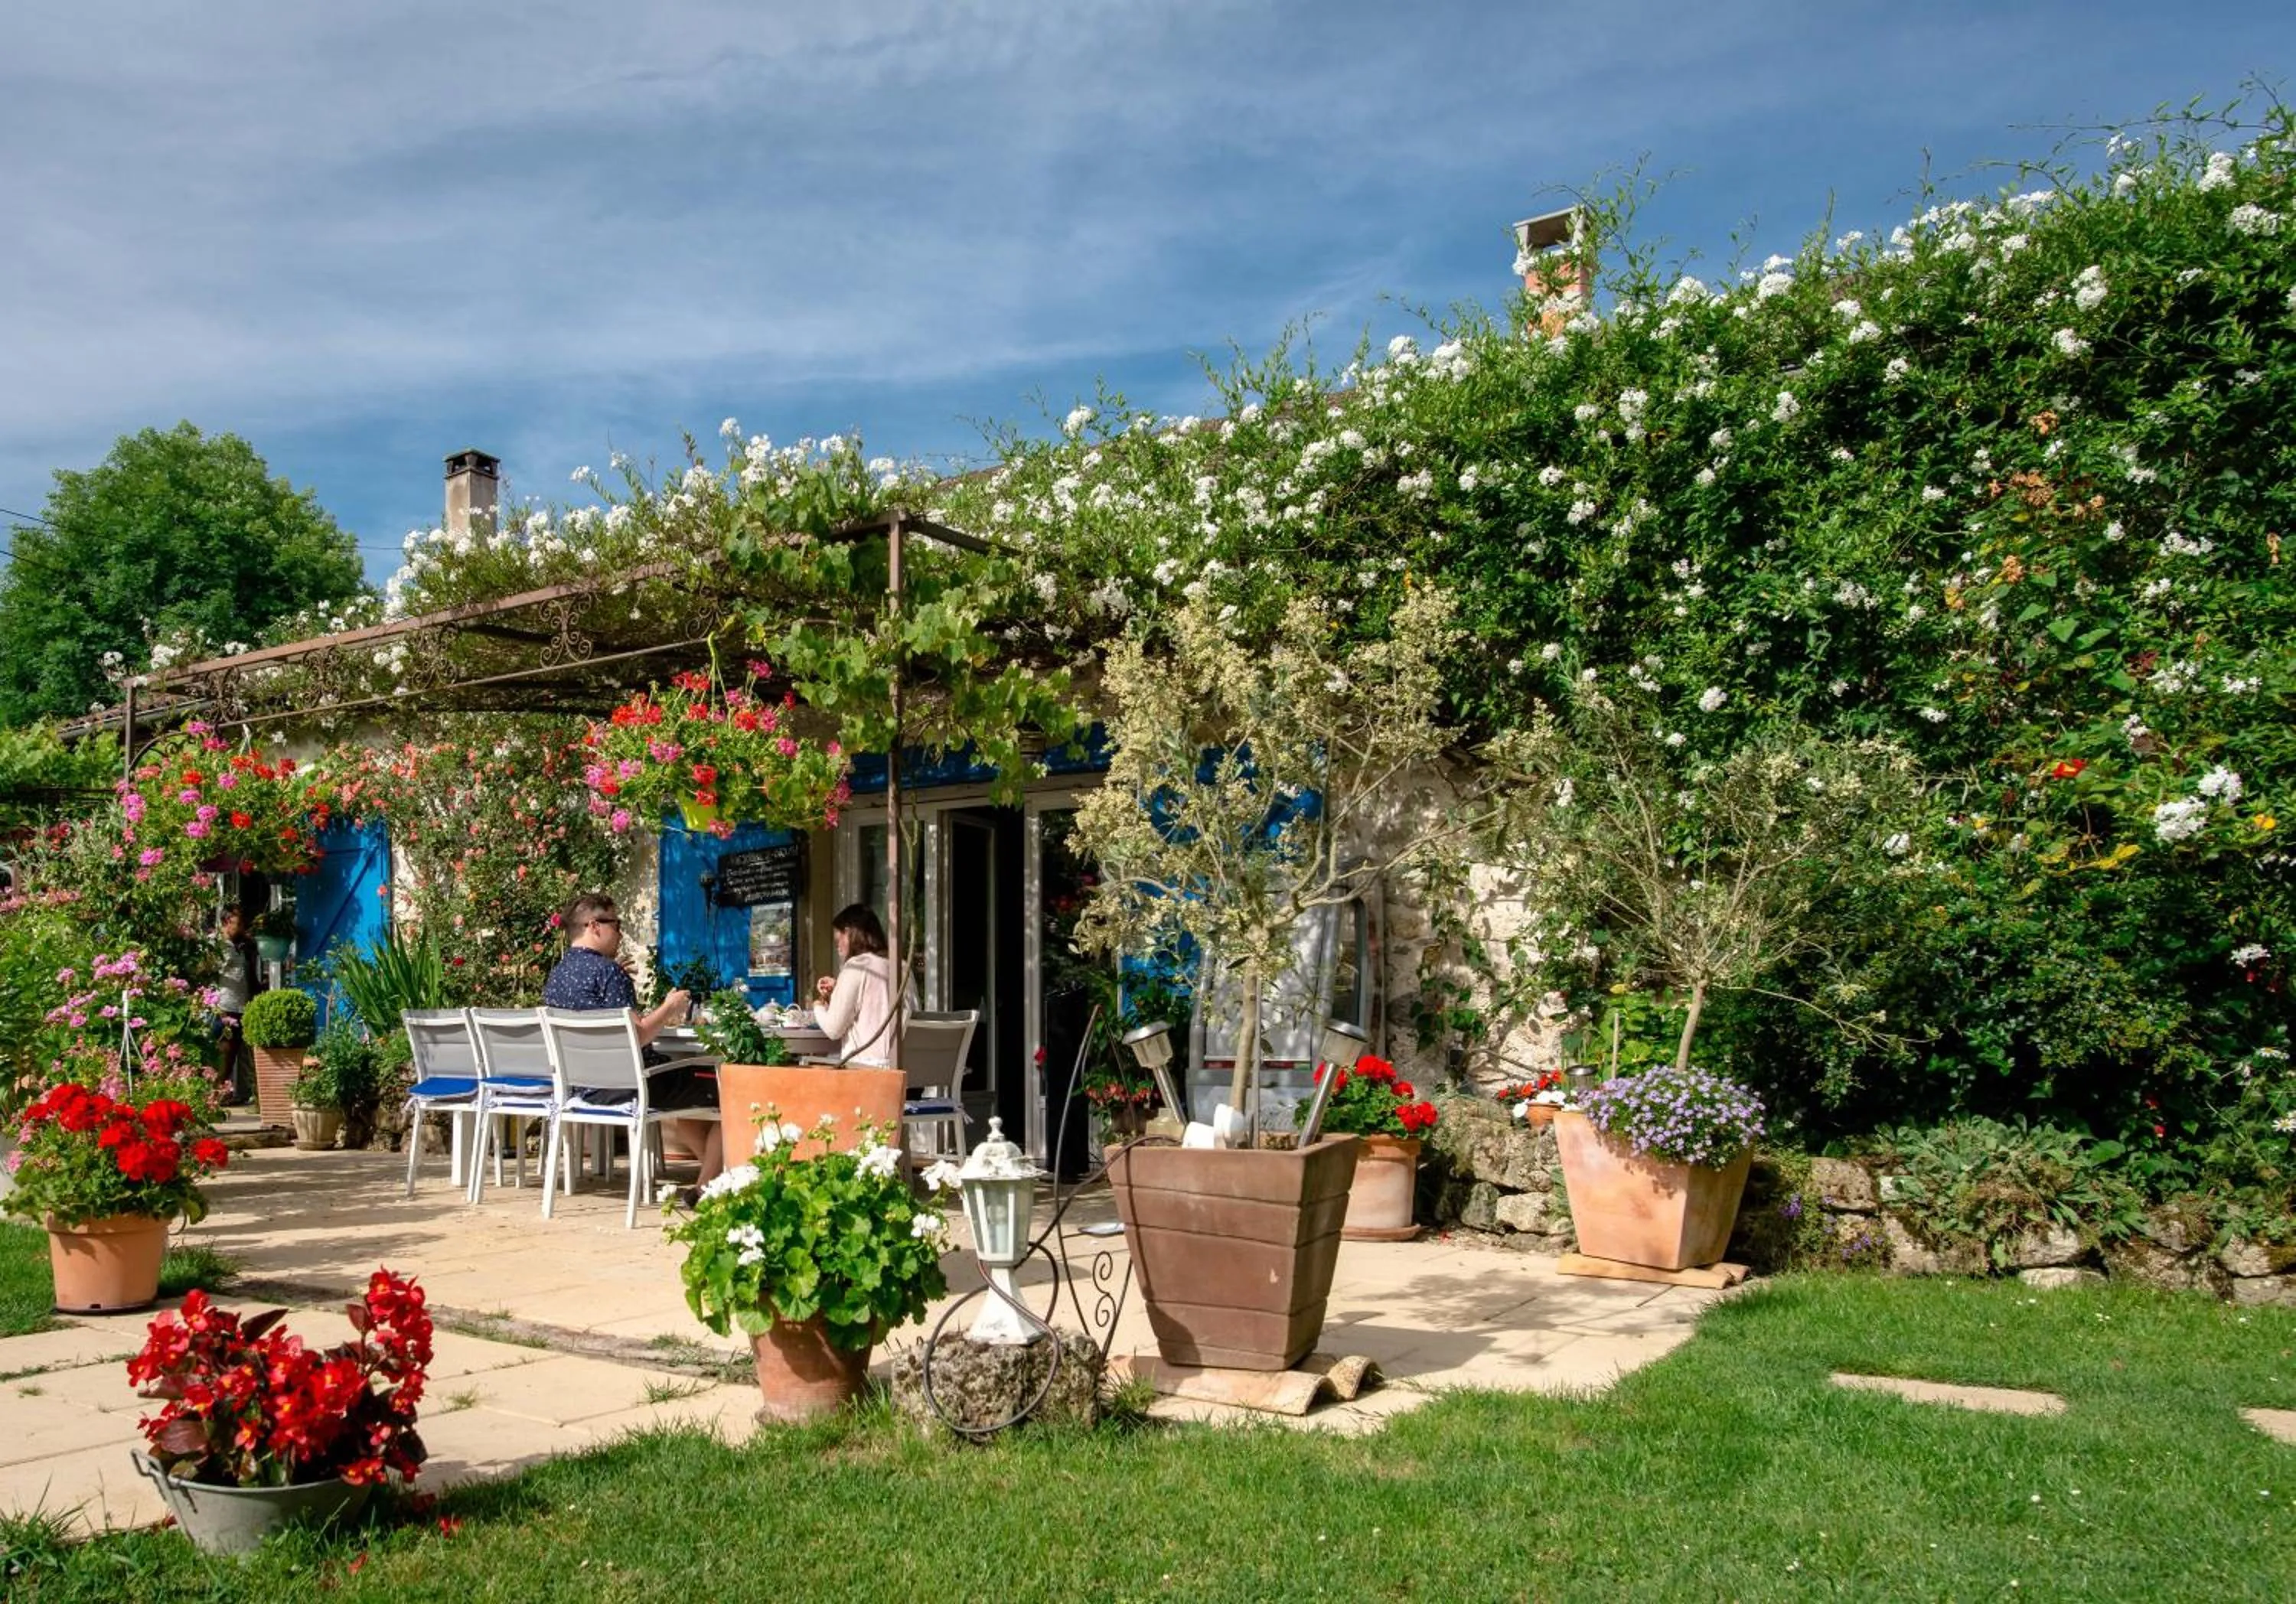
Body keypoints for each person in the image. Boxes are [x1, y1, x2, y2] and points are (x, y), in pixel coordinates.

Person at [542, 892, 722, 1185]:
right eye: (616, 924)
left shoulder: (557, 976)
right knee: (725, 1085)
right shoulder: (609, 974)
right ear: (594, 926)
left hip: (585, 1087)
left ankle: (712, 1179)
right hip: (631, 1085)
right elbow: (636, 1037)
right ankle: (711, 1183)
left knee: (690, 1093)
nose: (620, 933)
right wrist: (669, 1008)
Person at [812, 904, 897, 1068]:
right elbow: (877, 1002)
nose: (838, 946)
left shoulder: (857, 966)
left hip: (866, 1073)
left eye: (839, 939)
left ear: (850, 933)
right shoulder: (902, 967)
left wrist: (818, 1006)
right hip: (906, 1074)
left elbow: (833, 1029)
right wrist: (839, 989)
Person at [210, 905, 259, 1106]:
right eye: (236, 924)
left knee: (235, 1054)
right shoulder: (216, 944)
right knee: (224, 1053)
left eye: (241, 924)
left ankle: (224, 1094)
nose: (240, 928)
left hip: (241, 1006)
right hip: (224, 1006)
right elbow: (210, 973)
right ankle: (213, 1095)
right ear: (225, 923)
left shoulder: (239, 945)